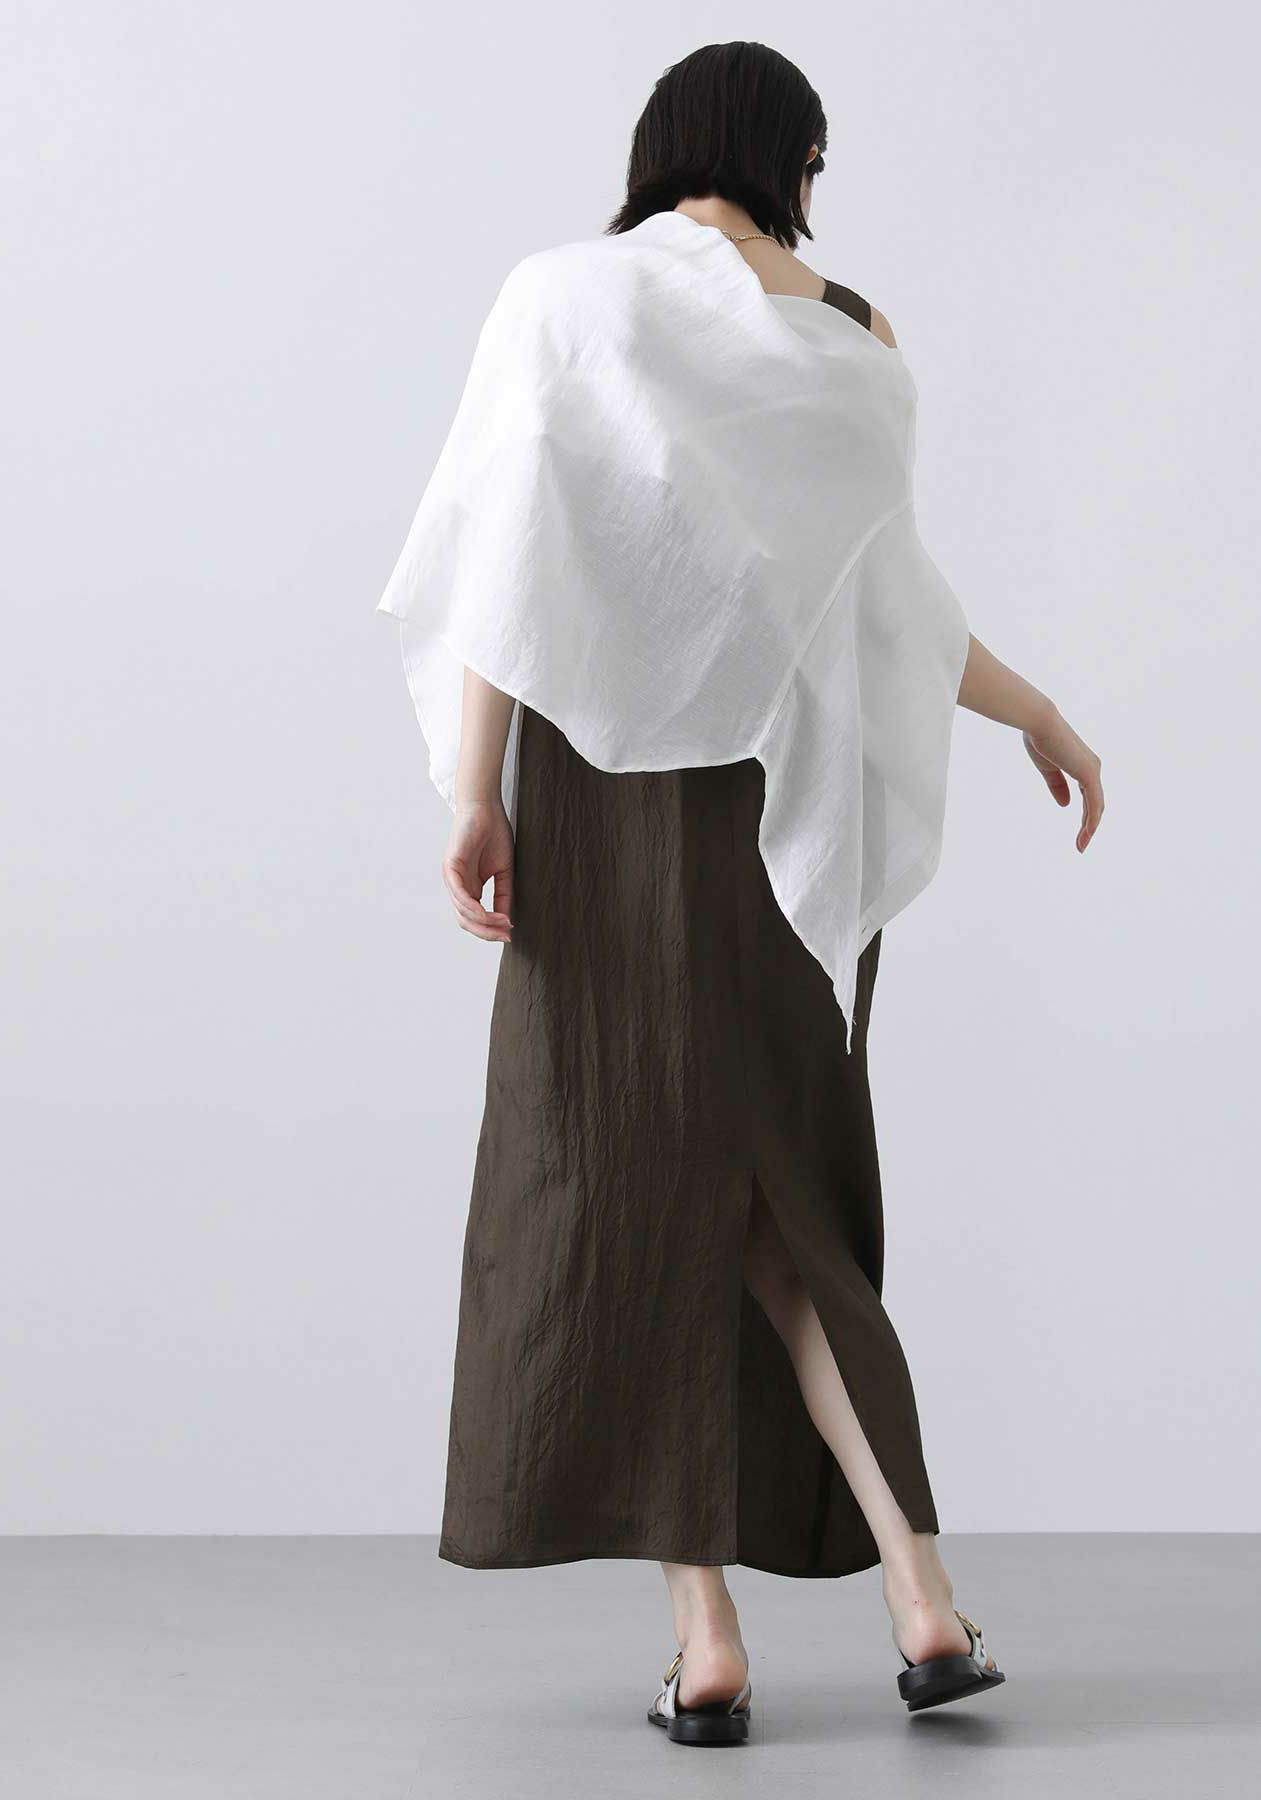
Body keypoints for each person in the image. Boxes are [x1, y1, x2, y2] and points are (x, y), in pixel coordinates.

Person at [377, 41, 1103, 1748]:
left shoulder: (567, 300)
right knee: (784, 1216)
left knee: (625, 1179)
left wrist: (475, 793)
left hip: (607, 803)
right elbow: (895, 608)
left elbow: (510, 557)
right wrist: (1038, 713)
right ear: (791, 157)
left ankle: (707, 1643)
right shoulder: (853, 339)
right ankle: (922, 1599)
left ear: (661, 147)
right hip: (779, 817)